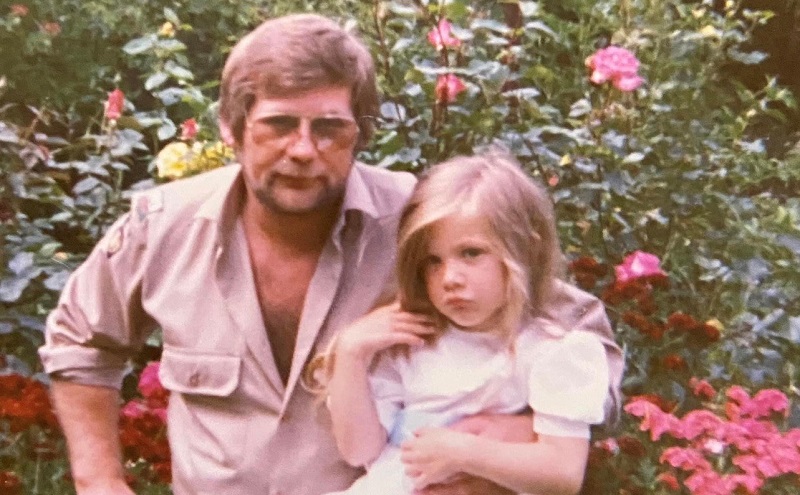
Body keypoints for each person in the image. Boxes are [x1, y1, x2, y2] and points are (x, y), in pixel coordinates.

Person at [38, 13, 622, 495]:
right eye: (278, 124)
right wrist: (100, 482)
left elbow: (573, 327)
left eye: (329, 128)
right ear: (231, 128)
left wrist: (511, 435)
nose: (302, 149)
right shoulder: (163, 228)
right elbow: (81, 341)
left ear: (360, 133)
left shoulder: (422, 223)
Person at [311, 152, 618, 495]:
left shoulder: (554, 350)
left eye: (471, 253)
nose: (450, 278)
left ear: (525, 250)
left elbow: (562, 473)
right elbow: (360, 451)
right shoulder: (417, 338)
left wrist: (463, 453)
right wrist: (351, 353)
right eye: (433, 261)